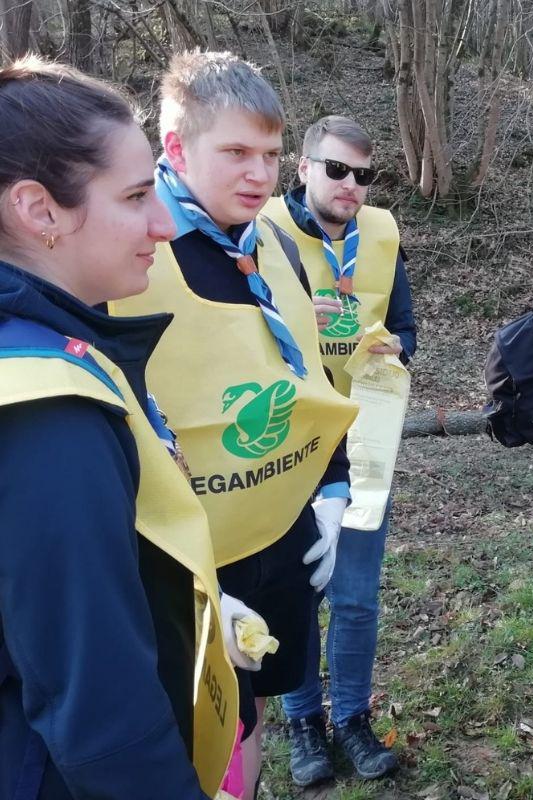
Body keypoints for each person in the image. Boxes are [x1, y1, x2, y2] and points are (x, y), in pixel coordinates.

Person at [107, 51, 357, 798]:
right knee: (187, 723)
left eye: (272, 154)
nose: (259, 173)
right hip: (182, 555)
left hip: (279, 532)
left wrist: (333, 486)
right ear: (176, 150)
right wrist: (171, 571)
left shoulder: (273, 242)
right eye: (236, 153)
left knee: (247, 715)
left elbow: (307, 373)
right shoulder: (130, 254)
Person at [0, 56, 245, 798]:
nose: (164, 224)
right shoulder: (47, 415)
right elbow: (101, 714)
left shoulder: (49, 348)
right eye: (137, 196)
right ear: (39, 210)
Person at [264, 115, 416, 785]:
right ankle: (303, 724)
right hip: (288, 445)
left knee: (355, 597)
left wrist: (395, 348)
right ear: (302, 168)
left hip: (364, 444)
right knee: (299, 591)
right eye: (336, 169)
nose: (350, 185)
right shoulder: (262, 231)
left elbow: (405, 326)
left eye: (363, 174)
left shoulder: (382, 236)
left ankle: (351, 718)